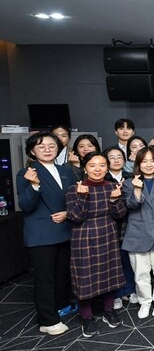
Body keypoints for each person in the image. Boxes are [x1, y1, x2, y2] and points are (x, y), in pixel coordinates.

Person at [16, 132, 76, 336]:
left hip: (65, 229)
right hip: (42, 234)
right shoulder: (26, 173)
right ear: (32, 151)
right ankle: (47, 320)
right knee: (45, 278)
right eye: (41, 147)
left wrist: (68, 213)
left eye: (51, 146)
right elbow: (25, 205)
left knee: (61, 274)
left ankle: (60, 307)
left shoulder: (66, 170)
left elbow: (73, 198)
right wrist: (34, 185)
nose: (47, 150)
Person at [66, 151, 127, 337]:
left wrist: (115, 200)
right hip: (84, 237)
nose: (97, 169)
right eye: (92, 165)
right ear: (85, 168)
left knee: (110, 274)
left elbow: (120, 214)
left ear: (107, 168)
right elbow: (75, 217)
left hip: (108, 234)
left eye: (102, 165)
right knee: (85, 278)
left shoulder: (112, 186)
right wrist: (82, 197)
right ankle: (87, 317)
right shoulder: (74, 188)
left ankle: (109, 310)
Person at [121, 147, 154, 319]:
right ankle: (145, 301)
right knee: (140, 273)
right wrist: (137, 190)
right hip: (137, 234)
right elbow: (130, 206)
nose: (149, 164)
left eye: (152, 161)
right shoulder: (128, 183)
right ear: (138, 164)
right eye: (144, 161)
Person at [104, 146, 137, 310]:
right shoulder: (103, 178)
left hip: (128, 224)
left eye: (119, 157)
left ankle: (130, 290)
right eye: (112, 157)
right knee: (112, 262)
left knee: (127, 260)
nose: (116, 160)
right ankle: (116, 294)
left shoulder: (131, 177)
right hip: (109, 225)